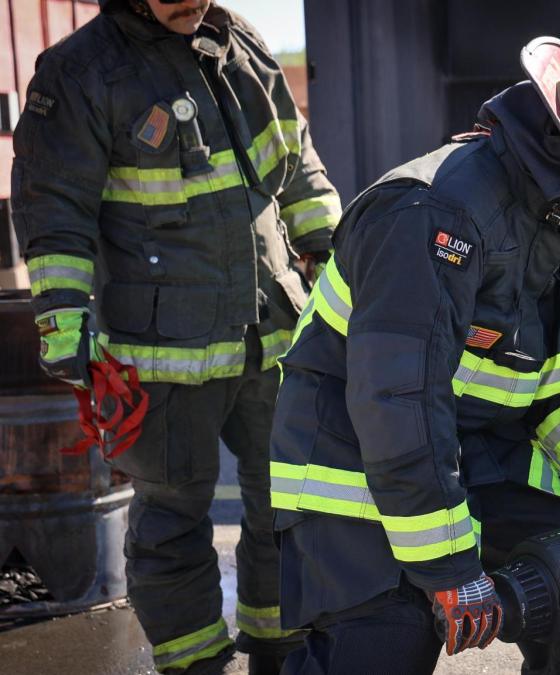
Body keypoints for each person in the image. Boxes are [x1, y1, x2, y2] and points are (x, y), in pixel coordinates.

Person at [268, 38, 560, 675]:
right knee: (386, 644)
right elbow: (401, 402)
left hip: (468, 454)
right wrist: (450, 570)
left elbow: (546, 383)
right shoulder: (430, 215)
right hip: (353, 469)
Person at [12, 1, 340, 672]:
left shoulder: (239, 43)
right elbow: (54, 209)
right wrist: (63, 320)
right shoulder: (79, 73)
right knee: (171, 526)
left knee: (290, 505)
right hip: (163, 357)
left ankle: (281, 645)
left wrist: (332, 251)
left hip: (270, 334)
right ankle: (195, 663)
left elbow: (295, 158)